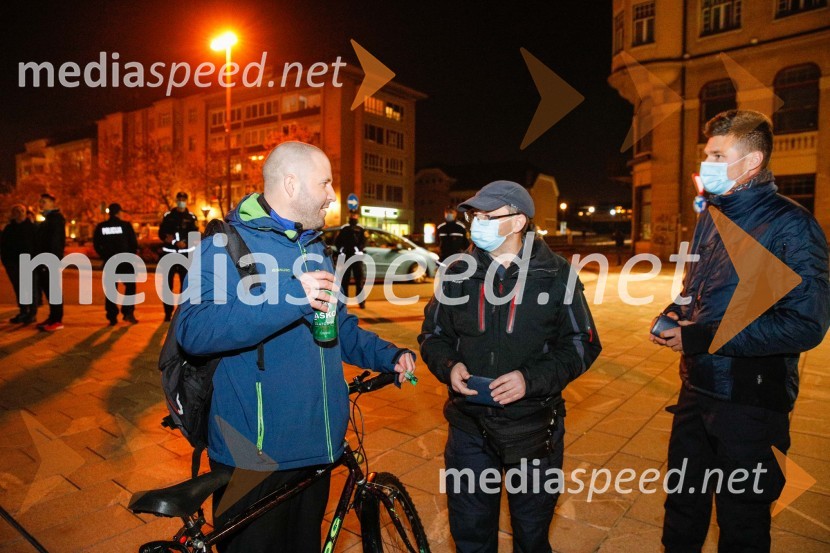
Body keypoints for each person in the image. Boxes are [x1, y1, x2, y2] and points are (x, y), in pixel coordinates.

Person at [175, 141, 417, 553]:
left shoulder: (314, 247)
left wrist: (389, 356)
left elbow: (337, 324)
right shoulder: (225, 243)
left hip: (317, 444)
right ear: (291, 183)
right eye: (324, 183)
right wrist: (290, 295)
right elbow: (194, 330)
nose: (331, 194)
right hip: (252, 454)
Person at [651, 110, 830, 552]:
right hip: (697, 391)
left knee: (742, 521)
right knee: (683, 506)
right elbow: (699, 290)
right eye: (705, 152)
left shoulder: (792, 225)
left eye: (716, 154)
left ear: (751, 162)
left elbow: (805, 325)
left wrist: (703, 336)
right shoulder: (711, 215)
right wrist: (677, 311)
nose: (705, 162)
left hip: (750, 404)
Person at [419, 180, 601, 553]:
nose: (476, 224)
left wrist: (529, 380)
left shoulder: (557, 274)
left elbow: (583, 343)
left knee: (531, 537)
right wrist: (449, 366)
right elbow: (432, 336)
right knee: (470, 536)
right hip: (469, 429)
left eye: (488, 216)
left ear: (518, 222)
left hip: (534, 432)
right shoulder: (456, 270)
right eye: (475, 216)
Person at [93, 203, 139, 325]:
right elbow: (133, 244)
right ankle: (128, 312)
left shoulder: (102, 227)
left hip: (109, 261)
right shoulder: (126, 226)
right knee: (130, 287)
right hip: (125, 262)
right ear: (119, 213)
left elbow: (96, 244)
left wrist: (104, 255)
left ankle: (112, 316)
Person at [158, 191, 199, 321]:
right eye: (179, 198)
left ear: (187, 201)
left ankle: (181, 312)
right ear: (176, 200)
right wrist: (174, 242)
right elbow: (162, 234)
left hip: (185, 256)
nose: (181, 201)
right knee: (167, 286)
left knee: (185, 285)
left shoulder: (191, 217)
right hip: (169, 255)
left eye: (183, 199)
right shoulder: (168, 216)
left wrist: (185, 242)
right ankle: (167, 313)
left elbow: (195, 235)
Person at [33, 193, 66, 331]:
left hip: (49, 260)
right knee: (49, 290)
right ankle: (52, 317)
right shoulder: (47, 219)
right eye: (40, 202)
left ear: (53, 203)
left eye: (44, 202)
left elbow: (55, 242)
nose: (41, 204)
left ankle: (57, 320)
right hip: (43, 260)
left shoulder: (56, 219)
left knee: (54, 291)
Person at [1, 204, 36, 323]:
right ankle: (23, 311)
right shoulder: (9, 229)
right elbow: (3, 246)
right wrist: (6, 261)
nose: (19, 212)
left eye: (22, 210)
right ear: (13, 213)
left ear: (25, 212)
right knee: (19, 288)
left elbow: (37, 246)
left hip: (28, 262)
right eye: (16, 210)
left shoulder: (32, 228)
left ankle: (32, 313)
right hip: (13, 264)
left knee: (30, 288)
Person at [334, 214, 367, 308]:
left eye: (355, 216)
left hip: (356, 257)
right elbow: (338, 241)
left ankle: (361, 302)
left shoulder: (360, 229)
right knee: (345, 280)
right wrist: (341, 250)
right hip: (346, 257)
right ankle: (344, 302)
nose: (354, 218)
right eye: (352, 216)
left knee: (359, 280)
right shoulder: (344, 228)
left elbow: (364, 241)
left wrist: (358, 249)